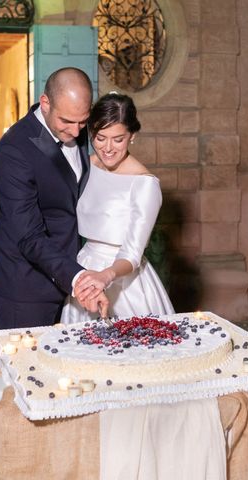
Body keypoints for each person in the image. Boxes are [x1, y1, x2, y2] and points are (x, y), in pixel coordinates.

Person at [0, 67, 108, 329]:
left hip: (70, 271)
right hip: (25, 285)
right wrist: (78, 279)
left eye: (83, 121)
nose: (77, 132)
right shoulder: (14, 150)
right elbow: (28, 236)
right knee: (27, 366)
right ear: (45, 103)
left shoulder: (80, 129)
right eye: (67, 121)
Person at [62, 92, 174, 324]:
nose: (108, 148)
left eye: (118, 139)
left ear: (132, 136)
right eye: (100, 138)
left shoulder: (145, 184)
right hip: (84, 270)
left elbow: (132, 254)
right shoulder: (84, 165)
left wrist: (105, 276)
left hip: (125, 281)